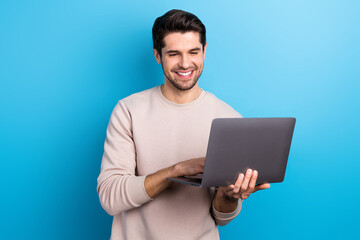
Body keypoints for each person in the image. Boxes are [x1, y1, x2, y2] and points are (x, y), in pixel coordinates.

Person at [97, 9, 270, 240]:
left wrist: (228, 195)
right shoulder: (128, 111)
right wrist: (175, 171)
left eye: (193, 52)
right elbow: (110, 198)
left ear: (204, 51)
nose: (185, 63)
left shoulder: (229, 119)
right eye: (174, 54)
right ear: (157, 55)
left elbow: (222, 218)